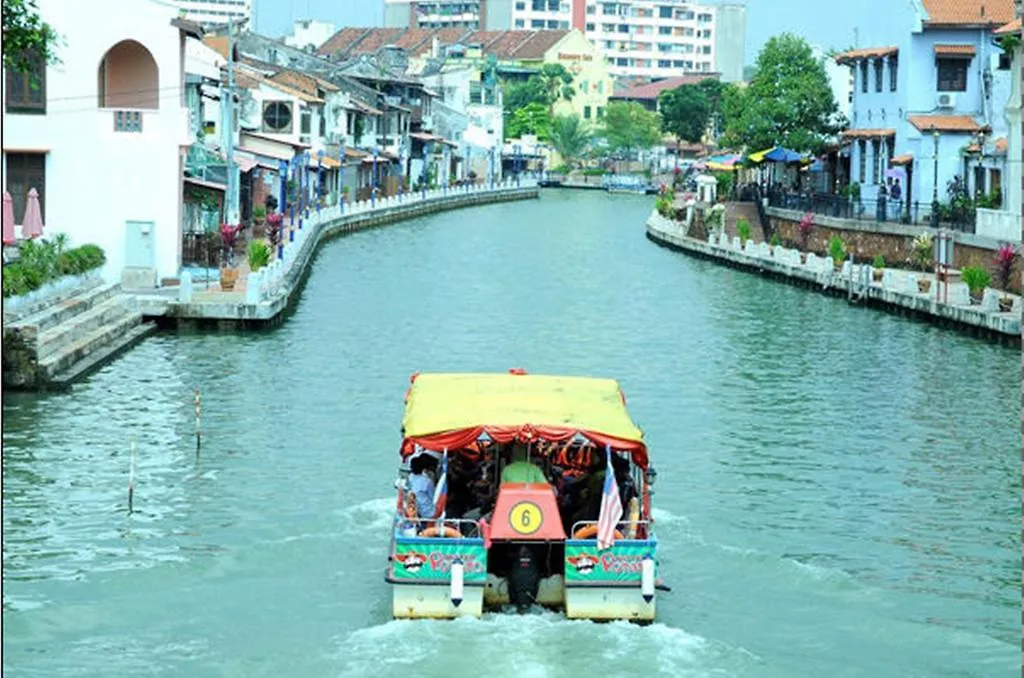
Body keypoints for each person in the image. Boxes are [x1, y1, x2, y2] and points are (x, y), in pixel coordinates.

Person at [408, 454, 436, 521]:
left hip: (414, 508)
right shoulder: (427, 481)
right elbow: (432, 497)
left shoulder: (409, 478)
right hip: (426, 512)